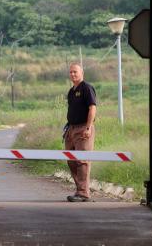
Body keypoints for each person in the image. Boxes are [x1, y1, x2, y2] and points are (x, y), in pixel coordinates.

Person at [64, 62, 98, 202]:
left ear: (82, 73)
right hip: (71, 129)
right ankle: (80, 190)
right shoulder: (71, 91)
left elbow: (92, 108)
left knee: (82, 161)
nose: (73, 74)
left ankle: (83, 193)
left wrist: (88, 127)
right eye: (71, 72)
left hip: (83, 128)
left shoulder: (87, 88)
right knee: (71, 159)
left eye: (75, 72)